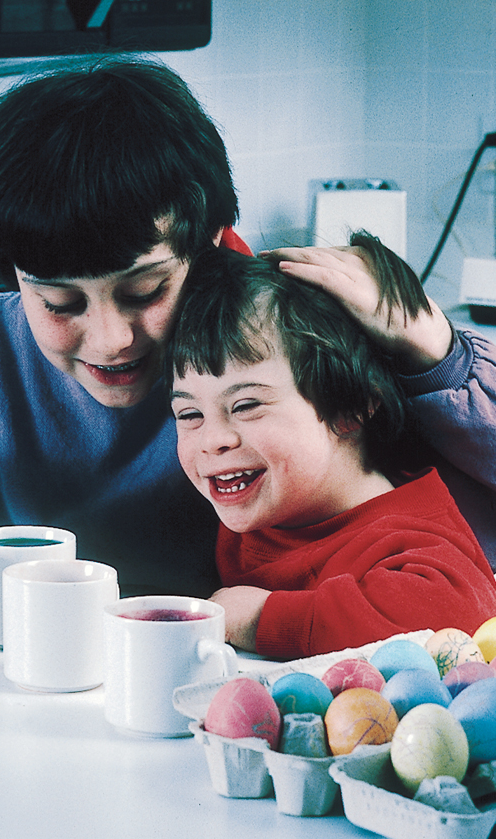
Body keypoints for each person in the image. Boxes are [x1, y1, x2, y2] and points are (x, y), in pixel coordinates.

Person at [0, 55, 494, 596]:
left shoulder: (295, 328)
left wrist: (435, 354)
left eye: (145, 290)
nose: (113, 338)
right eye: (61, 304)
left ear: (210, 240)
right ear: (13, 279)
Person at [167, 241, 496, 657]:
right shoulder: (262, 498)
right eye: (189, 414)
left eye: (246, 405)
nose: (213, 440)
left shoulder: (406, 537)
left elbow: (459, 609)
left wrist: (260, 619)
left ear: (350, 407)